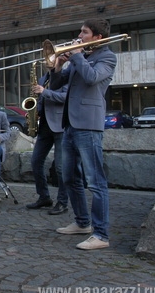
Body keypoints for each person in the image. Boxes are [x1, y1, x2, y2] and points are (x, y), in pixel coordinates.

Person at [50, 18, 117, 250]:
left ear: (97, 37)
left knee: (95, 181)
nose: (79, 35)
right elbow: (58, 83)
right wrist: (58, 65)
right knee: (69, 177)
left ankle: (101, 234)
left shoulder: (106, 57)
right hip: (70, 123)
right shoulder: (84, 56)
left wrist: (77, 55)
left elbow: (91, 78)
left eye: (84, 32)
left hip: (88, 125)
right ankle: (82, 222)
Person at [25, 60, 70, 215]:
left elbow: (66, 97)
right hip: (44, 125)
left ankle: (63, 202)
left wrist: (44, 91)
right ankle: (44, 197)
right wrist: (35, 110)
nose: (47, 61)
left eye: (51, 58)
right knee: (36, 161)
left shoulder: (65, 76)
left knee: (60, 167)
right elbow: (40, 99)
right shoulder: (45, 77)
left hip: (60, 125)